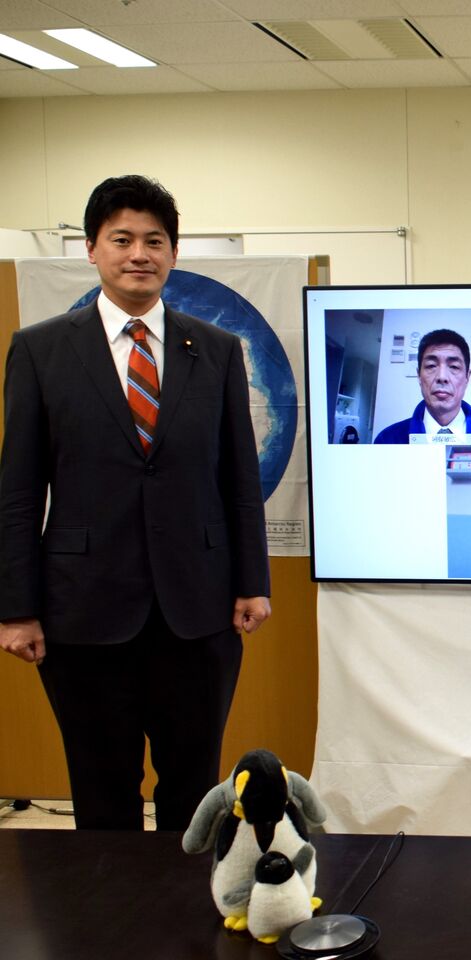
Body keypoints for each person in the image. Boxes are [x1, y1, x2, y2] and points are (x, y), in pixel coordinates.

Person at [0, 175, 271, 831]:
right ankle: (107, 902)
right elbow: (18, 491)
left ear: (173, 253)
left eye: (154, 241)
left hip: (198, 611)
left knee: (193, 791)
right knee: (101, 790)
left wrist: (252, 583)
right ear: (92, 249)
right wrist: (16, 609)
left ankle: (186, 898)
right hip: (83, 612)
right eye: (121, 239)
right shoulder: (40, 349)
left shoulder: (216, 350)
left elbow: (239, 479)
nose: (139, 254)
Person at [374, 329, 471, 444]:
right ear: (419, 376)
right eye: (431, 366)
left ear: (467, 377)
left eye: (454, 367)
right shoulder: (387, 440)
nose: (442, 377)